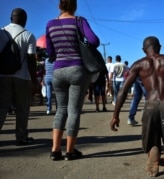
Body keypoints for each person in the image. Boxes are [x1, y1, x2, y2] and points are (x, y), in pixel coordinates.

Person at [110, 36, 164, 177]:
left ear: (144, 50)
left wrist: (115, 115)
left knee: (151, 139)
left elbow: (123, 90)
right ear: (160, 47)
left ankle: (153, 151)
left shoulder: (139, 64)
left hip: (150, 106)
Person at [46, 0, 100, 161]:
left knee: (61, 109)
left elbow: (50, 51)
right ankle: (70, 151)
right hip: (77, 69)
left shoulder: (50, 24)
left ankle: (55, 150)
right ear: (75, 6)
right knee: (74, 110)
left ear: (59, 6)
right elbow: (94, 41)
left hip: (58, 71)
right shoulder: (79, 21)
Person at [0, 8, 38, 145]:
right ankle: (21, 137)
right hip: (22, 77)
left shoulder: (1, 31)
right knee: (22, 108)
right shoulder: (28, 35)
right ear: (25, 20)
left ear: (11, 18)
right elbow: (31, 60)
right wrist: (34, 81)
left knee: (2, 107)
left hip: (2, 76)